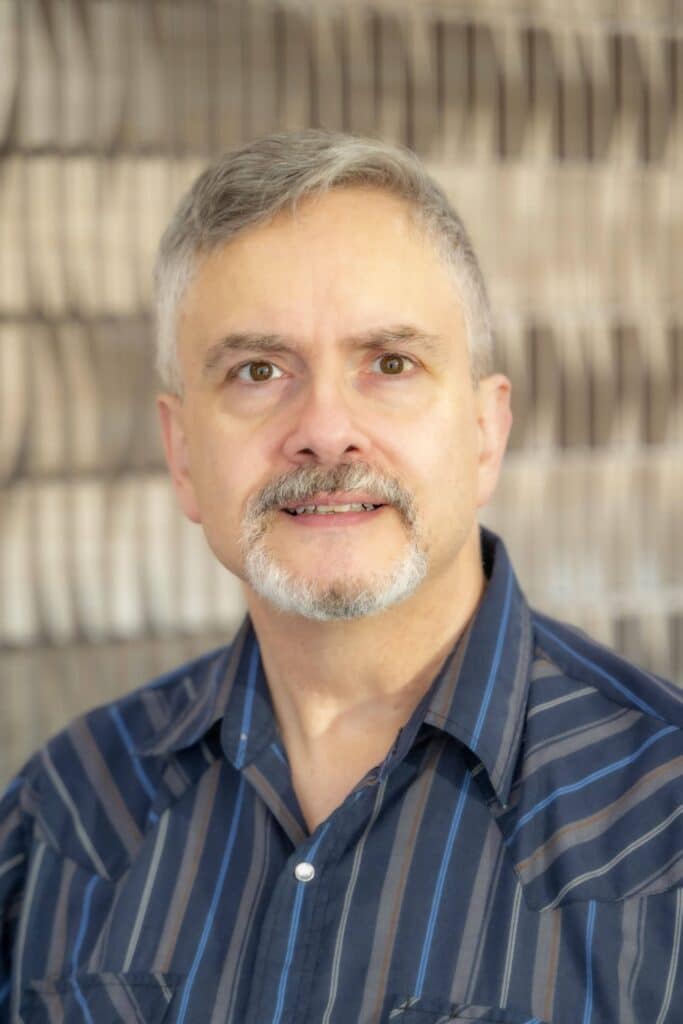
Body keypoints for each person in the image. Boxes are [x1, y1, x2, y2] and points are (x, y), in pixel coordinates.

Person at [1, 130, 682, 1024]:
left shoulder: (665, 819)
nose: (325, 428)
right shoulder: (61, 821)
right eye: (257, 371)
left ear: (485, 431)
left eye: (389, 364)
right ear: (180, 453)